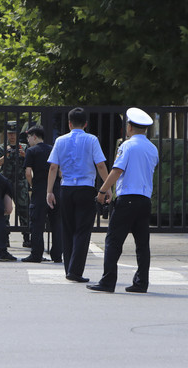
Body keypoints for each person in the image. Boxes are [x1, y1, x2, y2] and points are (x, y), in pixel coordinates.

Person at [87, 107, 158, 293]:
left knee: (113, 241)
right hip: (144, 200)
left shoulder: (127, 146)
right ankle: (141, 282)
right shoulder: (152, 148)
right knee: (142, 244)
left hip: (127, 199)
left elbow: (117, 170)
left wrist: (103, 190)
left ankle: (108, 281)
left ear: (130, 127)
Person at [47, 108, 108, 281]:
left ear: (69, 123)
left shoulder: (60, 140)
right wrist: (107, 187)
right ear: (86, 124)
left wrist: (49, 191)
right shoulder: (92, 140)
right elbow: (101, 165)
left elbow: (53, 167)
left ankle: (68, 269)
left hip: (66, 188)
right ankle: (75, 271)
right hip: (86, 188)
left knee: (67, 228)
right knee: (82, 230)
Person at [22, 125, 62, 263]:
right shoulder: (53, 149)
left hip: (39, 191)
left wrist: (33, 185)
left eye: (28, 137)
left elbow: (28, 173)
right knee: (57, 223)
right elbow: (60, 172)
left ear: (34, 136)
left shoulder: (31, 151)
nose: (28, 140)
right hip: (55, 190)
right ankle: (57, 255)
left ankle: (36, 254)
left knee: (37, 224)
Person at [0, 121, 30, 248]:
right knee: (5, 211)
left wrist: (24, 155)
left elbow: (30, 162)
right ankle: (5, 238)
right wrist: (6, 154)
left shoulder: (24, 147)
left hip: (21, 182)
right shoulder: (1, 147)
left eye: (14, 134)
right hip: (5, 182)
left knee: (24, 210)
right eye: (10, 134)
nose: (12, 136)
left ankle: (26, 237)